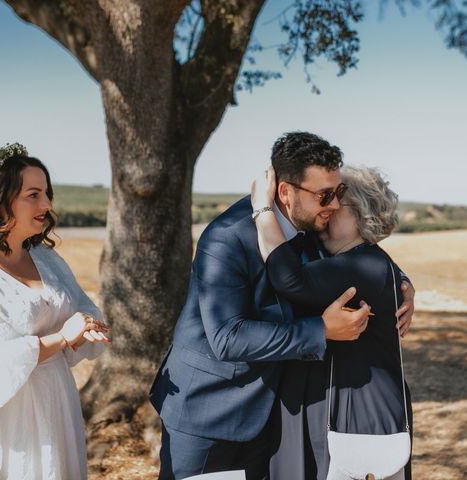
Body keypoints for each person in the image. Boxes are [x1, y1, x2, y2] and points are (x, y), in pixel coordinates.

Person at [149, 131, 415, 479]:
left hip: (273, 419)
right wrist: (320, 330)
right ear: (286, 192)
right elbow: (228, 338)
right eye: (325, 195)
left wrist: (401, 282)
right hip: (210, 413)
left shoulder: (311, 226)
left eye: (339, 194)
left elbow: (357, 258)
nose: (334, 205)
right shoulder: (227, 236)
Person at [0, 143, 110, 479]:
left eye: (47, 194)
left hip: (55, 409)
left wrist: (88, 328)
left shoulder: (47, 259)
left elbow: (82, 310)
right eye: (33, 195)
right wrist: (60, 338)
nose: (47, 204)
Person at [251, 164, 414, 480]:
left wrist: (262, 211)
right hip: (357, 413)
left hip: (362, 421)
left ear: (361, 215)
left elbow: (288, 279)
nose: (329, 207)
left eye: (338, 200)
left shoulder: (360, 265)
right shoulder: (367, 260)